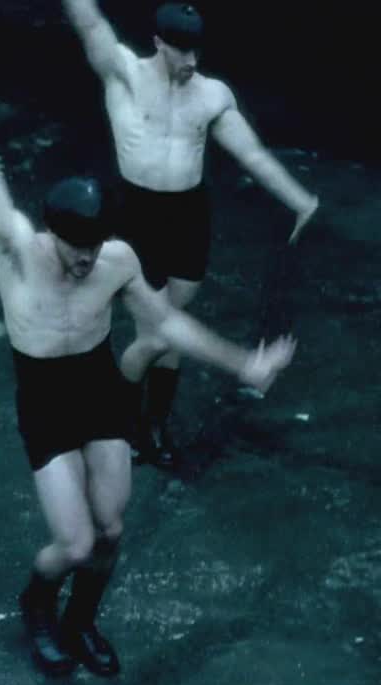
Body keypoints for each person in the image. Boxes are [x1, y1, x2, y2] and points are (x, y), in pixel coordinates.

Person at [0, 44, 296, 678]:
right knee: (75, 540)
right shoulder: (16, 247)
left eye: (94, 246)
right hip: (45, 400)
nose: (86, 259)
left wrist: (242, 364)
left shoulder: (117, 260)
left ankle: (80, 620)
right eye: (75, 248)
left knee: (110, 528)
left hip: (98, 390)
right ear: (52, 232)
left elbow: (166, 322)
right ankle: (37, 604)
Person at [61, 0, 319, 468]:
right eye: (181, 51)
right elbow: (88, 20)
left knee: (166, 331)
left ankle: (151, 425)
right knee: (158, 330)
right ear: (159, 43)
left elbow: (253, 154)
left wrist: (299, 199)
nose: (192, 61)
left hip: (187, 217)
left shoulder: (211, 96)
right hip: (136, 215)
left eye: (196, 50)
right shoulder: (124, 73)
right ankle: (130, 426)